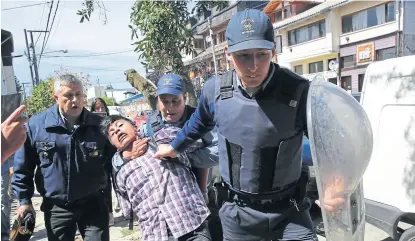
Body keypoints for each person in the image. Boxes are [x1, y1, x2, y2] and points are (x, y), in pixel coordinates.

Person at [154, 9, 319, 240]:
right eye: (243, 55)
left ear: (274, 50)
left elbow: (327, 144)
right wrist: (174, 147)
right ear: (227, 54)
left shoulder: (299, 91)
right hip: (239, 213)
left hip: (290, 211)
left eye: (261, 54)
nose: (253, 66)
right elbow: (198, 123)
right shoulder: (214, 91)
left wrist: (335, 187)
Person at [12, 74, 115, 241]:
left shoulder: (99, 125)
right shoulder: (37, 125)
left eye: (79, 94)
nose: (75, 100)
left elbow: (114, 162)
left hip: (93, 203)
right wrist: (24, 200)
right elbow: (23, 167)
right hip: (57, 207)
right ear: (56, 97)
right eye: (68, 95)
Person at [101, 115, 211, 241]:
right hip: (156, 234)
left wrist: (203, 190)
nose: (118, 131)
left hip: (192, 224)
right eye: (112, 133)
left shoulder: (163, 138)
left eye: (120, 125)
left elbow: (201, 148)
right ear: (114, 144)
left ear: (135, 127)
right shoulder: (119, 172)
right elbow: (127, 209)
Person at [90, 97, 116, 226]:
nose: (99, 110)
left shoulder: (111, 120)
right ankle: (105, 212)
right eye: (97, 108)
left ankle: (111, 211)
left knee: (111, 185)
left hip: (111, 154)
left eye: (101, 107)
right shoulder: (90, 123)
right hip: (98, 157)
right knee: (102, 187)